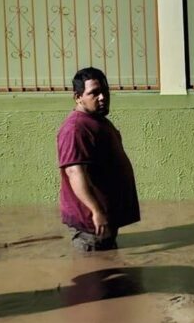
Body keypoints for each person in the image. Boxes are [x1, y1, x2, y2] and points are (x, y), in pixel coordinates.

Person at [57, 67, 140, 251]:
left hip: (103, 221)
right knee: (95, 275)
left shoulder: (97, 120)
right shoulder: (75, 128)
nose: (102, 97)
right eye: (94, 93)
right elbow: (74, 172)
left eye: (104, 91)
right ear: (78, 97)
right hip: (90, 227)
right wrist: (96, 211)